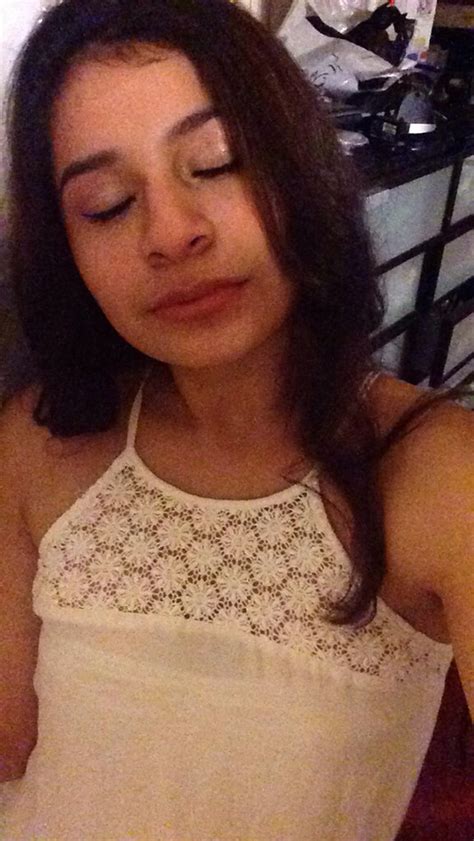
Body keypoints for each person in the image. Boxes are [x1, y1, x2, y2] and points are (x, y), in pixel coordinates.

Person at [0, 1, 472, 839]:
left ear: (298, 165)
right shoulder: (42, 445)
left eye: (216, 161)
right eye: (108, 204)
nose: (171, 232)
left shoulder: (432, 474)